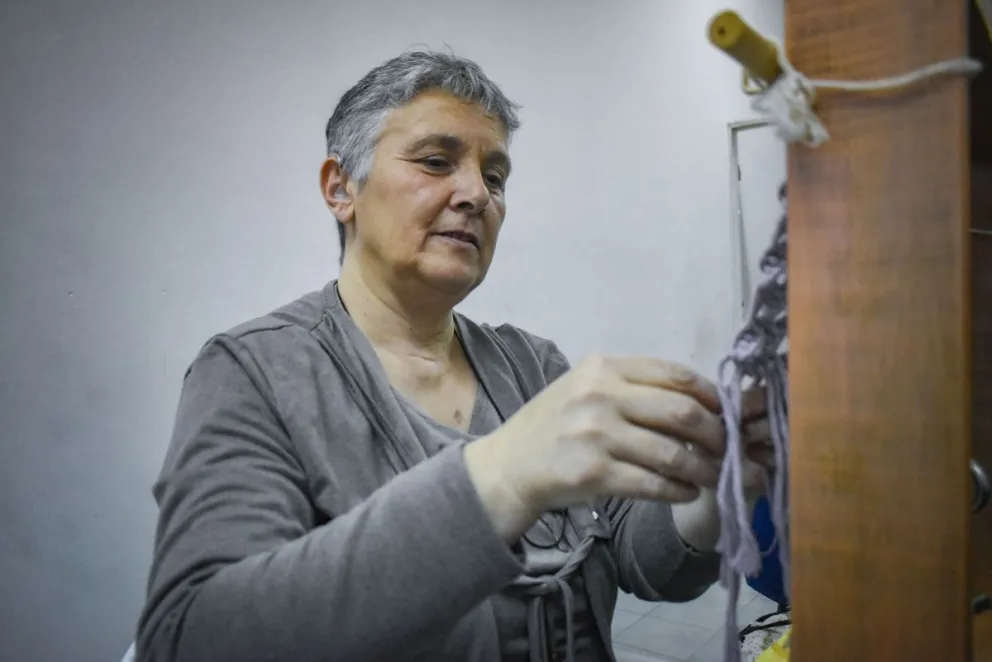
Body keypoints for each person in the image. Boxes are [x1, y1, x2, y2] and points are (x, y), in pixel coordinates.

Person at [135, 49, 774, 662]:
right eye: (436, 162)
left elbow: (642, 561)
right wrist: (504, 474)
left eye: (495, 176)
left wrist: (717, 484)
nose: (477, 194)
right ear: (340, 188)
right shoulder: (253, 374)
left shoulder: (531, 365)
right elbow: (194, 636)